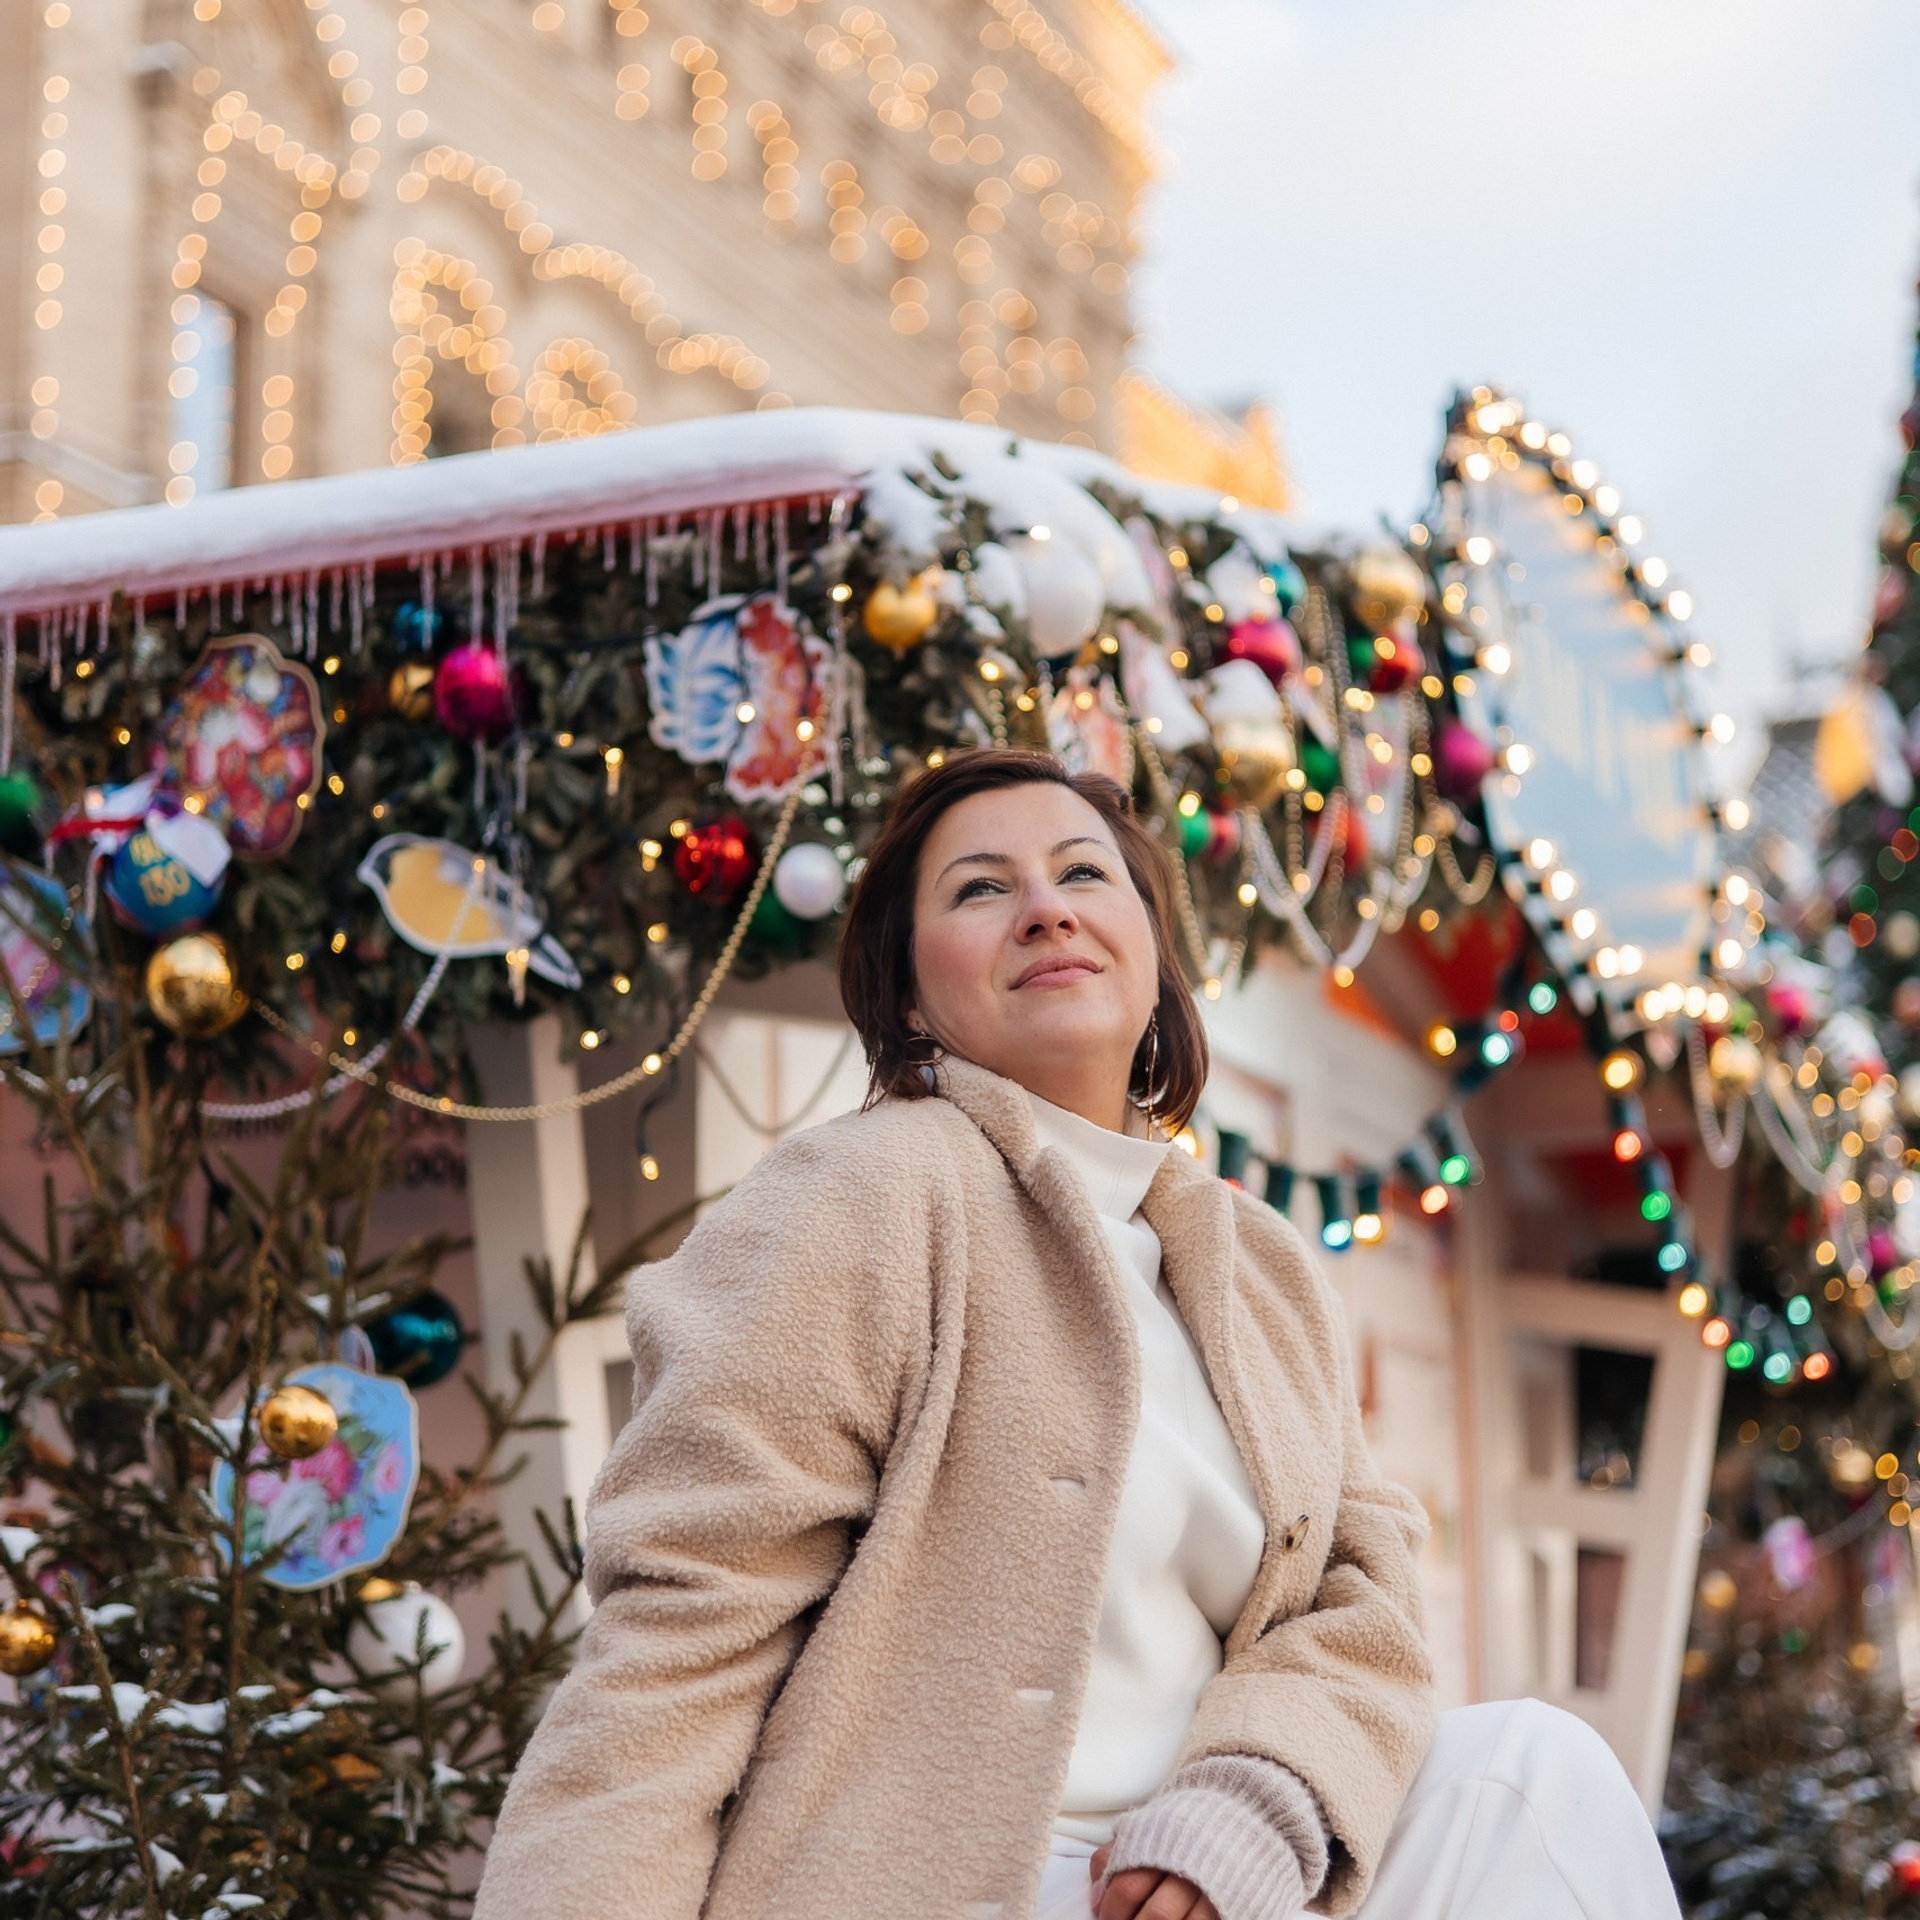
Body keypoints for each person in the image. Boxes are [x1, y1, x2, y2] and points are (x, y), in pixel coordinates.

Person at [473, 748, 1682, 1920]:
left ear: (1151, 952)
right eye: (982, 889)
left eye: (1084, 873)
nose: (1046, 909)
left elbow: (1362, 1604)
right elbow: (680, 1638)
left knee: (1534, 1777)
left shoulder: (1256, 1264)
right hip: (949, 1881)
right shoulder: (854, 1200)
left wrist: (1252, 1803)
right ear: (905, 988)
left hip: (1218, 1871)